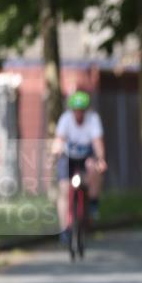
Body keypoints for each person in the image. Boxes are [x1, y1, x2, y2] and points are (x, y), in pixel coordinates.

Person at [51, 91, 106, 242]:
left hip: (86, 156)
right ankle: (64, 229)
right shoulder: (65, 120)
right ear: (72, 110)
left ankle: (93, 202)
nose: (79, 114)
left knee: (94, 169)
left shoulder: (93, 120)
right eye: (76, 110)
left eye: (81, 110)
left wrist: (101, 159)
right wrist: (54, 154)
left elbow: (97, 142)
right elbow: (59, 140)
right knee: (64, 190)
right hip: (68, 157)